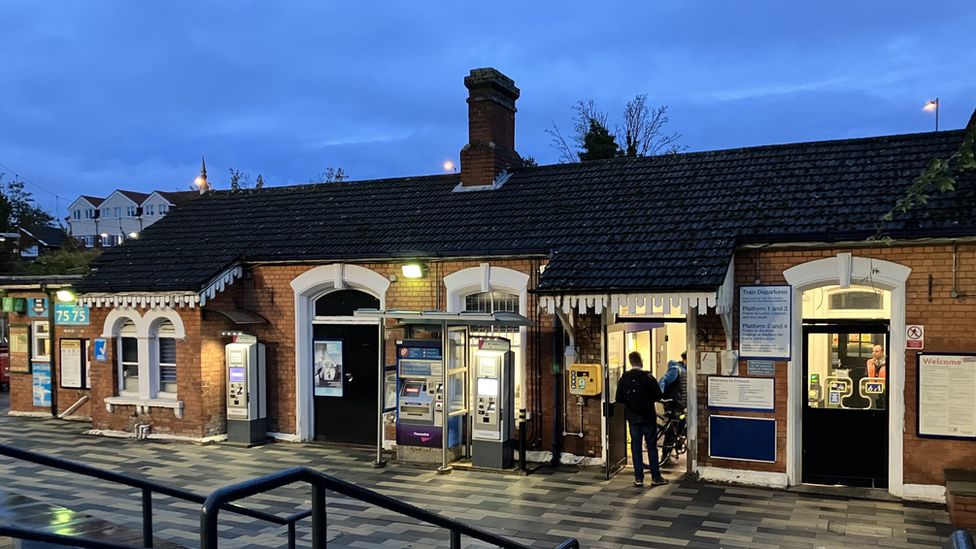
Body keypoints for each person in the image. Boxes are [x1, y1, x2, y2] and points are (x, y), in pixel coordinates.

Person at [615, 351, 668, 488]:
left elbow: (619, 399)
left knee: (636, 447)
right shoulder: (648, 378)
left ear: (630, 362)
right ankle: (656, 477)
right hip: (648, 417)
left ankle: (638, 478)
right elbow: (658, 395)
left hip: (633, 419)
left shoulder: (624, 379)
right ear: (641, 361)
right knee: (651, 446)